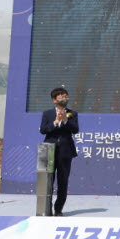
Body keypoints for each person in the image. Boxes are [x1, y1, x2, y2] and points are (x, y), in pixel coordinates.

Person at [39, 87, 79, 216]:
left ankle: (58, 209)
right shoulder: (47, 113)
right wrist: (55, 122)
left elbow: (75, 130)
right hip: (49, 151)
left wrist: (66, 121)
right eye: (61, 96)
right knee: (48, 181)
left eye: (66, 95)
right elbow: (43, 130)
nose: (64, 98)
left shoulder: (72, 113)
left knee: (63, 181)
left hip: (65, 151)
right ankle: (46, 208)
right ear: (54, 100)